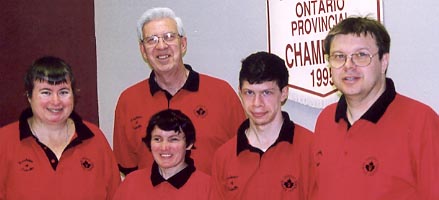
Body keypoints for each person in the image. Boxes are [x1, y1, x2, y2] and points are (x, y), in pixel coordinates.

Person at [311, 16, 439, 200]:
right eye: (339, 56)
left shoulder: (421, 121)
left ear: (384, 62)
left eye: (361, 55)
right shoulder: (325, 120)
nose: (348, 65)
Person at [113, 7, 246, 176]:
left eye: (169, 37)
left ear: (183, 44)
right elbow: (128, 168)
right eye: (152, 40)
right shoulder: (128, 101)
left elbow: (242, 157)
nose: (161, 46)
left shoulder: (222, 94)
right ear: (143, 51)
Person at [0, 56, 121, 199]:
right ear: (29, 96)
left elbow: (116, 195)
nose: (56, 101)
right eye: (46, 92)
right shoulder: (4, 141)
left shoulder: (95, 138)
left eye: (63, 92)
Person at [209, 51, 314, 199]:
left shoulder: (311, 148)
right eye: (249, 93)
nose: (257, 103)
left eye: (266, 93)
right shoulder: (223, 157)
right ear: (240, 92)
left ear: (284, 93)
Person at [113, 109, 210, 200]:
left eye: (173, 139)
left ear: (189, 144)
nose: (164, 147)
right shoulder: (131, 183)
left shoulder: (208, 187)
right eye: (157, 139)